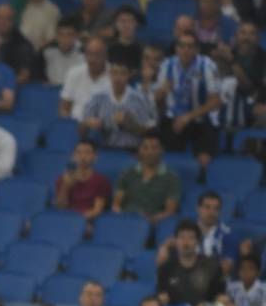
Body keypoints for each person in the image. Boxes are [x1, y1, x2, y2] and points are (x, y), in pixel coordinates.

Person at [152, 31, 220, 167]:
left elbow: (215, 101)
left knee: (204, 158)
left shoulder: (207, 65)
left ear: (197, 49)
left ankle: (202, 172)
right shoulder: (167, 65)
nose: (186, 50)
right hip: (174, 117)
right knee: (157, 152)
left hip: (201, 118)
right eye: (182, 46)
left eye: (190, 46)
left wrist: (188, 117)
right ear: (176, 48)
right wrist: (161, 93)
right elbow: (157, 100)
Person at [80, 59, 157, 151]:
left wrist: (131, 125)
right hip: (105, 150)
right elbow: (81, 130)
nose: (118, 78)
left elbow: (150, 132)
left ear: (129, 75)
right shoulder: (97, 97)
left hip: (134, 150)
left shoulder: (140, 98)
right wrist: (88, 123)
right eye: (114, 73)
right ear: (109, 74)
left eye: (122, 73)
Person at [112, 131, 179, 224]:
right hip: (127, 220)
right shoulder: (127, 173)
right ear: (139, 150)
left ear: (162, 150)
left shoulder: (171, 178)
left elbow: (170, 211)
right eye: (145, 147)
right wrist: (123, 217)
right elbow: (116, 204)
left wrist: (151, 220)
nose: (150, 152)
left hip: (153, 223)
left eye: (154, 148)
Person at [55, 140, 112, 220]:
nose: (82, 156)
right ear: (73, 156)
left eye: (87, 152)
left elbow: (97, 210)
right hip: (66, 219)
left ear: (95, 157)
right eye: (78, 152)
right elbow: (60, 207)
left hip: (89, 220)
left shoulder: (102, 181)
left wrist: (79, 221)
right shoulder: (63, 178)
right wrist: (65, 186)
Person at [59, 36, 109, 120]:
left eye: (97, 54)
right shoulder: (74, 73)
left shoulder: (115, 75)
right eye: (89, 54)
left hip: (105, 125)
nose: (92, 59)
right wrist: (68, 123)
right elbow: (64, 108)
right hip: (75, 123)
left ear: (105, 56)